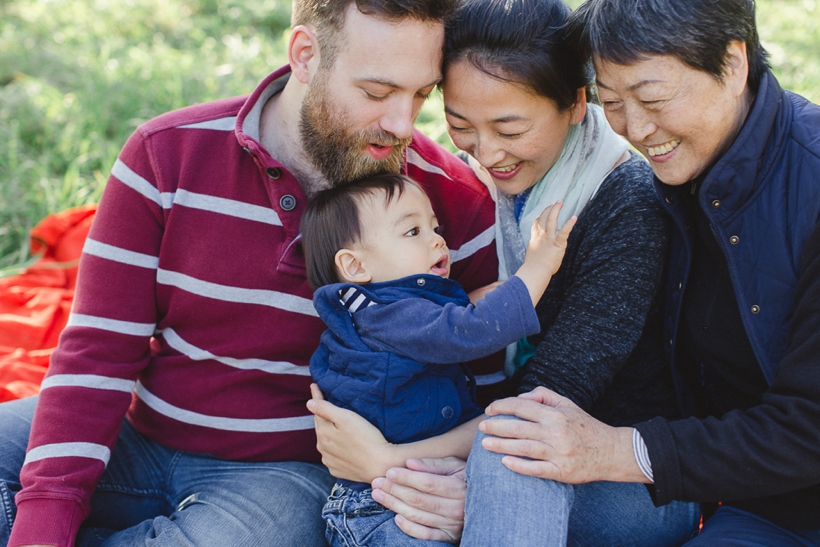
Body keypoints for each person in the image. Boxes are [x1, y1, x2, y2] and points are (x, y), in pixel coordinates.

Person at [0, 1, 505, 546]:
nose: (403, 123)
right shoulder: (165, 156)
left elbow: (495, 384)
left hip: (280, 477)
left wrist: (461, 479)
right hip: (137, 432)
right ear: (306, 55)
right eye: (377, 93)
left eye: (421, 94)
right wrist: (44, 522)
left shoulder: (450, 202)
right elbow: (97, 354)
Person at [306, 0, 698, 544]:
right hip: (490, 446)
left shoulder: (624, 203)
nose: (486, 153)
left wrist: (391, 462)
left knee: (506, 464)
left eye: (510, 129)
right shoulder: (467, 191)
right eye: (460, 125)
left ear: (577, 103)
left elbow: (550, 397)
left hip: (622, 482)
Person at [467, 0, 820, 545]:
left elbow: (809, 428)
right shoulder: (674, 181)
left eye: (652, 98)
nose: (636, 128)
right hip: (761, 506)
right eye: (614, 103)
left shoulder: (805, 180)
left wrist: (616, 449)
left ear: (732, 64)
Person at [302, 173, 574, 546]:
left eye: (434, 226)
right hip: (379, 508)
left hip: (406, 493)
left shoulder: (380, 315)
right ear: (354, 267)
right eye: (412, 232)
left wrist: (471, 301)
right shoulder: (384, 315)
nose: (437, 239)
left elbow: (435, 326)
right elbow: (467, 333)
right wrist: (539, 265)